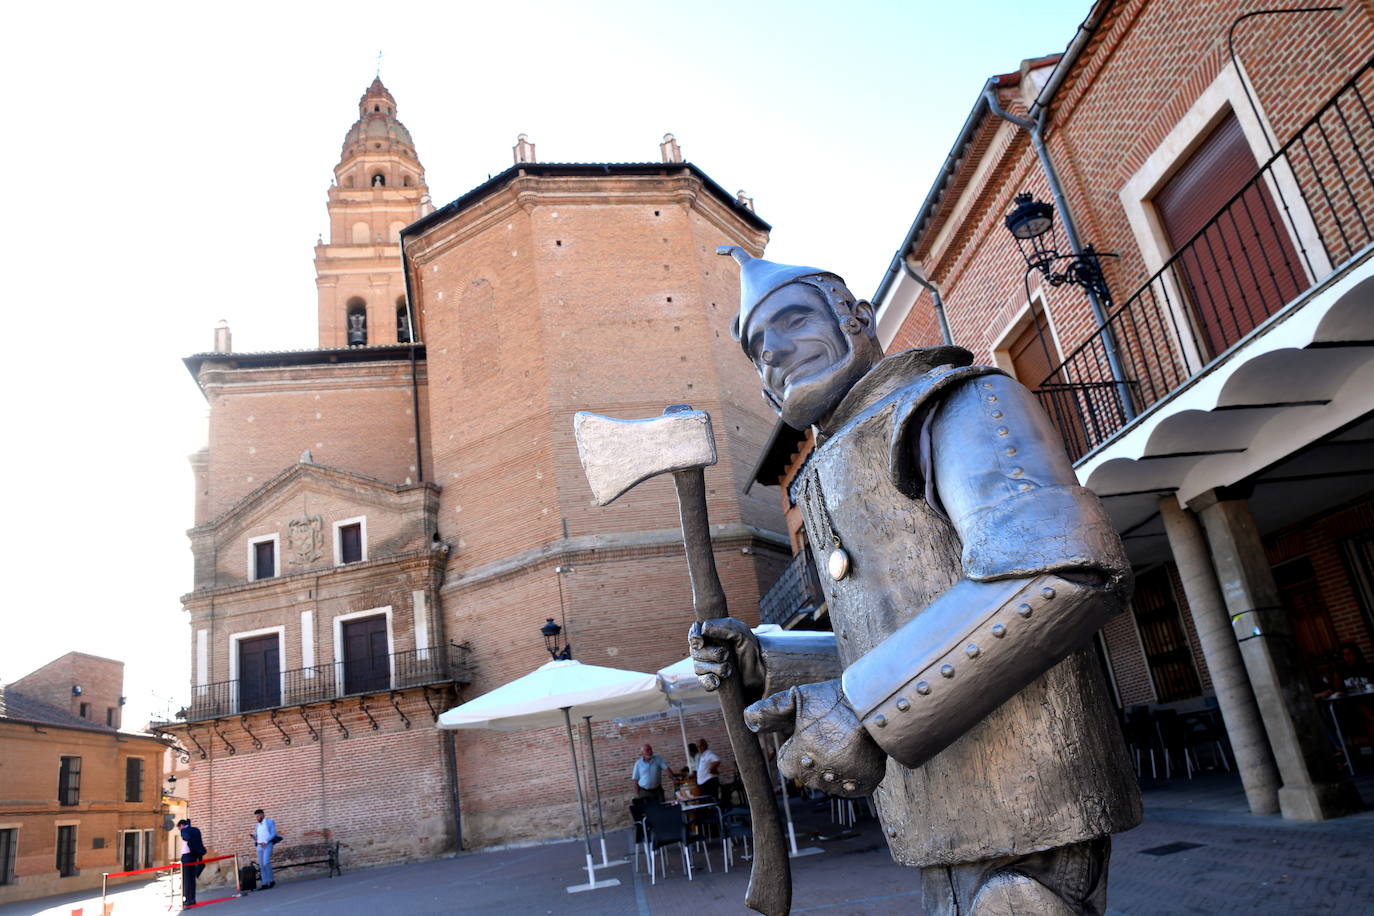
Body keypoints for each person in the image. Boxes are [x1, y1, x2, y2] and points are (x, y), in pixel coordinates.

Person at [689, 248, 1139, 915]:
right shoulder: (827, 467)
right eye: (758, 349)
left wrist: (862, 710)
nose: (776, 353)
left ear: (857, 317)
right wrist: (768, 661)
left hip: (1028, 809)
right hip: (939, 821)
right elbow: (894, 634)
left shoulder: (958, 401)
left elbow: (1062, 567)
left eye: (791, 321)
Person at [176, 818, 207, 908]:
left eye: (179, 828)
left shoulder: (184, 830)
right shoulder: (196, 830)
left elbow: (187, 837)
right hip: (194, 856)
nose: (180, 830)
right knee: (192, 879)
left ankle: (188, 900)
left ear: (181, 825)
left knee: (186, 879)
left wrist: (184, 835)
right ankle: (192, 899)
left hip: (187, 857)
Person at [253, 808, 277, 890]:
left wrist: (266, 841)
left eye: (259, 815)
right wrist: (254, 838)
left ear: (263, 815)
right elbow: (257, 835)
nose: (257, 817)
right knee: (261, 865)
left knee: (266, 862)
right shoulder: (257, 825)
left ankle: (271, 880)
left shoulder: (270, 821)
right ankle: (264, 884)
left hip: (267, 845)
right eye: (256, 816)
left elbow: (274, 834)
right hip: (259, 846)